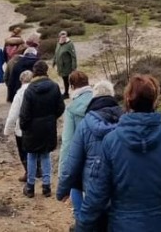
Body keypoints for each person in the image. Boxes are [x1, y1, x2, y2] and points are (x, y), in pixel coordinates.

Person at [78, 74, 161, 231]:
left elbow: (98, 191)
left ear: (128, 101)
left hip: (123, 225)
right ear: (154, 100)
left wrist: (84, 225)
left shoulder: (111, 141)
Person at [57, 79, 122, 232]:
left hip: (93, 186)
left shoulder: (86, 123)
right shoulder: (125, 119)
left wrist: (63, 189)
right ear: (112, 95)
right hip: (120, 184)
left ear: (94, 97)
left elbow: (73, 160)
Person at [19, 60, 65, 198]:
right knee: (46, 155)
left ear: (34, 72)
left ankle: (30, 187)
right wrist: (52, 118)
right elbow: (60, 107)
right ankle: (46, 187)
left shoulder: (29, 90)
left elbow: (25, 113)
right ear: (46, 71)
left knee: (32, 156)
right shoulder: (54, 87)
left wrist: (24, 126)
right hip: (48, 126)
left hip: (32, 127)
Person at [3, 69, 34, 182]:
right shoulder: (38, 90)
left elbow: (13, 114)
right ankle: (38, 170)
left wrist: (7, 130)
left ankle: (28, 172)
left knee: (24, 151)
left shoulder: (20, 93)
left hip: (23, 129)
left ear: (21, 81)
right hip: (38, 127)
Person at [53, 30, 78, 99]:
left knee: (69, 80)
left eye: (64, 36)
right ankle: (67, 92)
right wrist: (54, 62)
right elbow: (56, 53)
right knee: (65, 79)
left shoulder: (69, 44)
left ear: (66, 36)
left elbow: (73, 56)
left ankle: (67, 93)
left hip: (67, 66)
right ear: (59, 36)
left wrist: (74, 67)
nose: (63, 37)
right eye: (62, 36)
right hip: (60, 65)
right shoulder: (58, 43)